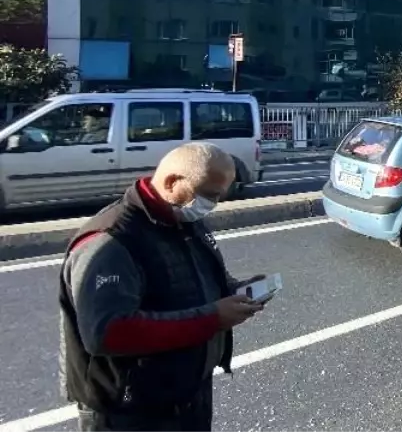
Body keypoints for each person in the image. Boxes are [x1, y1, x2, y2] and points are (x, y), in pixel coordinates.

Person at [59, 142, 268, 431]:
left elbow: (192, 279)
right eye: (209, 195)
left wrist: (235, 290)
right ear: (172, 182)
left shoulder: (181, 219)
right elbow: (108, 332)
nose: (214, 203)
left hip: (185, 396)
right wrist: (212, 318)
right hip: (130, 411)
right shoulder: (110, 242)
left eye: (221, 195)